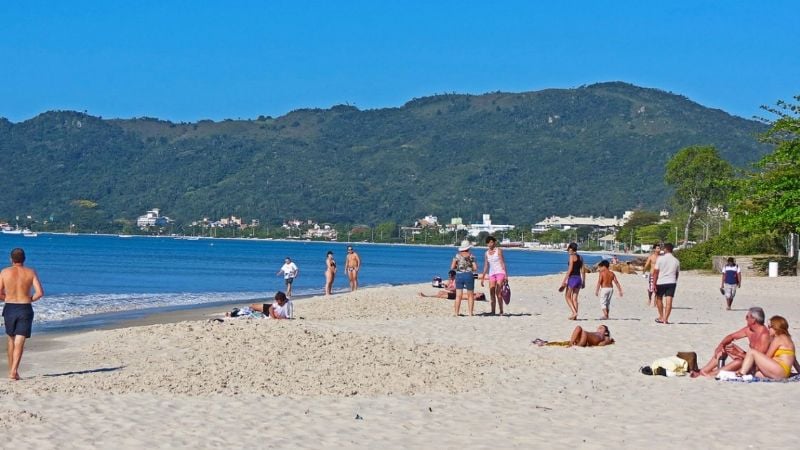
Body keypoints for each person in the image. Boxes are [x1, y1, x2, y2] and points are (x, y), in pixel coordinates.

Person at [0, 248, 45, 381]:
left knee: (11, 339)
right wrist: (29, 299)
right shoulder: (30, 272)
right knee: (20, 341)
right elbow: (40, 293)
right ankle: (14, 371)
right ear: (24, 259)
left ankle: (12, 370)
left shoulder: (4, 272)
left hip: (10, 307)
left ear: (11, 259)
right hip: (25, 307)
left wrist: (6, 298)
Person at [691, 307, 770, 378]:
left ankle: (712, 374)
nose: (745, 319)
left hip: (756, 366)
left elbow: (758, 360)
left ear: (754, 320)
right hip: (748, 358)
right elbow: (731, 336)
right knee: (726, 346)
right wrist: (720, 345)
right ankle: (704, 370)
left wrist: (739, 354)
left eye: (747, 317)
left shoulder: (764, 335)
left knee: (739, 361)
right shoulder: (749, 330)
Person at [736, 315, 799, 380]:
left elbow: (768, 356)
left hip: (779, 371)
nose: (768, 329)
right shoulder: (788, 340)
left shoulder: (778, 339)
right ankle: (743, 372)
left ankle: (741, 373)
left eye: (769, 327)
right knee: (755, 373)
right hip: (784, 373)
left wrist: (756, 365)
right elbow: (794, 360)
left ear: (775, 327)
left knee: (752, 352)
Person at [480, 235, 508, 315]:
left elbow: (503, 263)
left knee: (498, 292)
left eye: (492, 242)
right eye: (489, 243)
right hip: (492, 274)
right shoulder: (486, 253)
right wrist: (482, 277)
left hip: (500, 272)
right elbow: (486, 265)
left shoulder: (498, 251)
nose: (491, 244)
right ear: (487, 244)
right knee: (491, 291)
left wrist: (506, 275)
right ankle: (493, 311)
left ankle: (501, 311)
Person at [653, 242, 679, 324]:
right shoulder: (676, 260)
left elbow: (655, 272)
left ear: (666, 249)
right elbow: (677, 274)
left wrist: (653, 283)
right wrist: (675, 280)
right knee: (669, 300)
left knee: (659, 298)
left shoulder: (660, 259)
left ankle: (661, 316)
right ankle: (666, 319)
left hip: (661, 281)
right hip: (672, 281)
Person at [451, 240, 478, 316]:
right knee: (470, 295)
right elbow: (475, 268)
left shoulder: (457, 256)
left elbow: (452, 267)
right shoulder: (471, 256)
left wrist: (458, 267)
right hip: (469, 275)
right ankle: (470, 313)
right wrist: (470, 268)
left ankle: (456, 313)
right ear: (468, 248)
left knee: (458, 295)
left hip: (459, 275)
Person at [560, 242, 585, 320]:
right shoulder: (581, 257)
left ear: (571, 249)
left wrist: (564, 281)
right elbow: (583, 270)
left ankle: (574, 312)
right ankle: (575, 317)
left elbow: (570, 269)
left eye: (568, 249)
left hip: (572, 278)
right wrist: (583, 281)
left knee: (567, 296)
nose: (568, 251)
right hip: (578, 278)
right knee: (574, 298)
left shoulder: (571, 257)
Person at [532, 324, 614, 347]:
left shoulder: (605, 337)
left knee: (583, 331)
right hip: (584, 338)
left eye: (601, 328)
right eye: (598, 328)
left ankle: (572, 343)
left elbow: (602, 343)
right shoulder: (596, 333)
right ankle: (571, 342)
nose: (599, 328)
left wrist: (595, 344)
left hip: (585, 339)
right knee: (578, 327)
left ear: (606, 332)